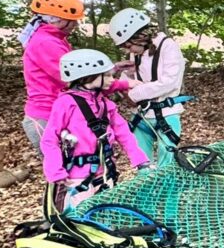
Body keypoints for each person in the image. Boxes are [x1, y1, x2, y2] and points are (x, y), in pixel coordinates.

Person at [41, 49, 149, 213]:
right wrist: (56, 171)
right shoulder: (66, 104)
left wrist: (140, 160)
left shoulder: (105, 104)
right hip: (76, 178)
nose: (111, 80)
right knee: (78, 218)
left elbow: (124, 133)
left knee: (104, 216)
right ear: (87, 77)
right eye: (106, 76)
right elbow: (49, 139)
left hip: (105, 172)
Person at [109, 8, 187, 168]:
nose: (127, 50)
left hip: (166, 114)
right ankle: (146, 193)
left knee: (168, 164)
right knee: (142, 164)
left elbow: (169, 81)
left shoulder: (168, 46)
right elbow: (139, 78)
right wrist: (128, 77)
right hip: (142, 116)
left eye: (127, 45)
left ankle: (168, 194)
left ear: (139, 36)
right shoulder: (138, 51)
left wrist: (134, 94)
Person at [21, 0, 85, 153]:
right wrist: (116, 80)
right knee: (62, 172)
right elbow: (73, 77)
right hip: (45, 115)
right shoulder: (46, 42)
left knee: (75, 169)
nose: (75, 25)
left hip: (57, 113)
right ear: (57, 19)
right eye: (72, 21)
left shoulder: (54, 39)